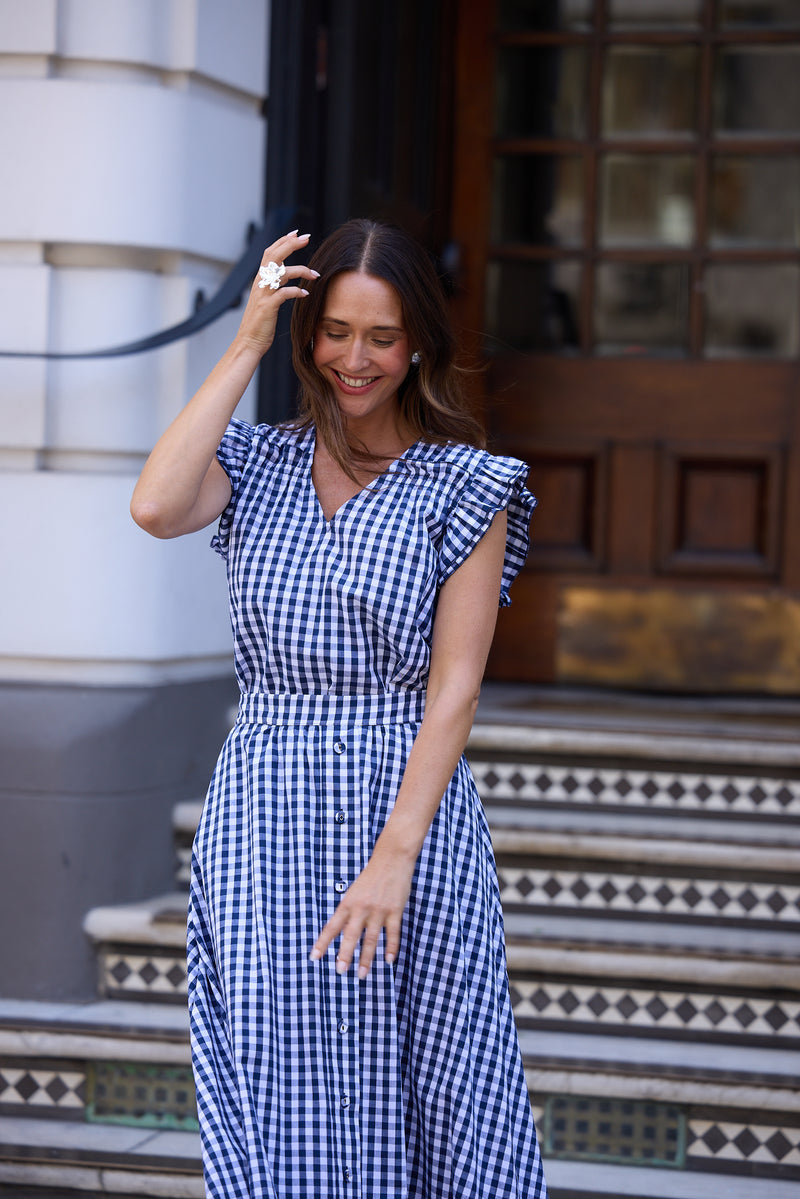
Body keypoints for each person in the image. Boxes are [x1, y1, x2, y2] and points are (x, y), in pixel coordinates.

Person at [131, 220, 548, 1199]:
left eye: (383, 336)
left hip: (402, 806)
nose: (355, 358)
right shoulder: (257, 464)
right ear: (306, 332)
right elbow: (154, 505)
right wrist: (245, 342)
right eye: (334, 331)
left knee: (441, 1079)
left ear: (417, 349)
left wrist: (393, 857)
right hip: (264, 803)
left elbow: (453, 684)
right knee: (286, 1079)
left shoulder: (465, 484)